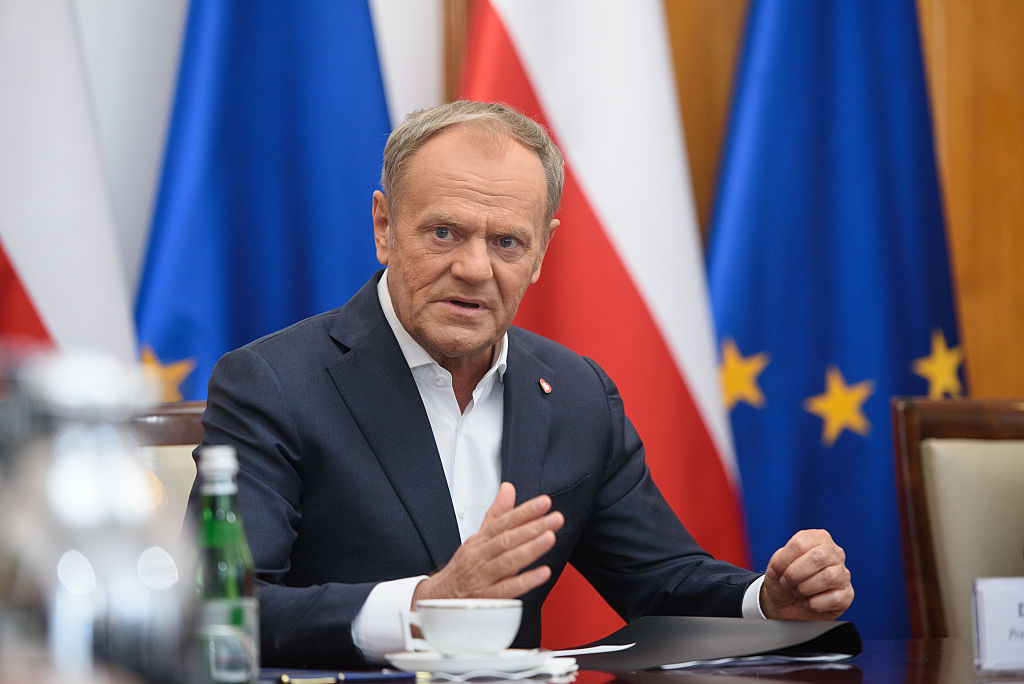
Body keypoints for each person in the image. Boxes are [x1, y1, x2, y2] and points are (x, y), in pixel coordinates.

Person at [192, 101, 854, 668]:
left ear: (541, 251)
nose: (475, 268)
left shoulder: (577, 395)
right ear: (385, 227)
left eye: (507, 242)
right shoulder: (273, 384)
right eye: (444, 232)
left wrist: (766, 602)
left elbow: (661, 582)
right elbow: (221, 607)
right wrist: (421, 608)